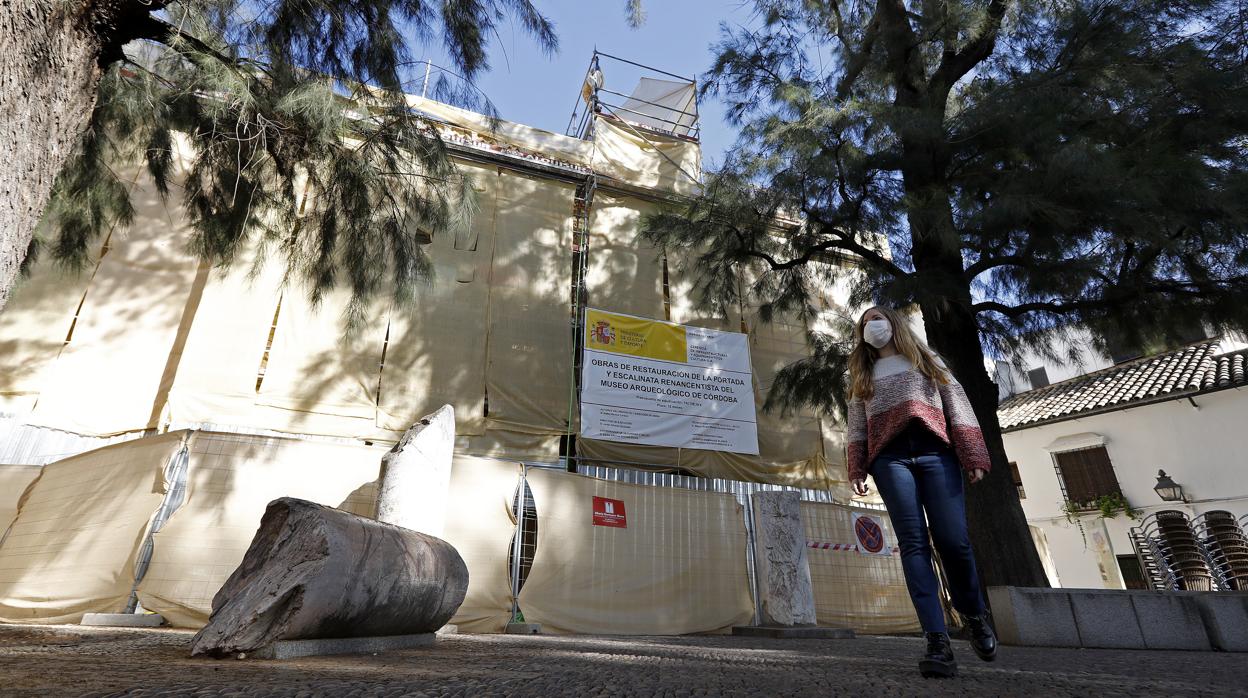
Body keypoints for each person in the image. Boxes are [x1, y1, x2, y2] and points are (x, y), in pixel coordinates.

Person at [845, 305, 997, 678]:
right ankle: (937, 640)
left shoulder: (927, 360)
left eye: (877, 320)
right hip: (890, 460)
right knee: (913, 543)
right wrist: (857, 467)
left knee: (953, 540)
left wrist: (972, 452)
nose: (872, 327)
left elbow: (956, 405)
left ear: (893, 323)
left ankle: (974, 614)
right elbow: (857, 423)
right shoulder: (861, 373)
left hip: (935, 453)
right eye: (865, 324)